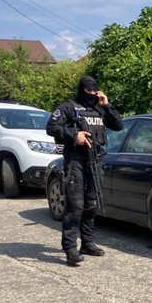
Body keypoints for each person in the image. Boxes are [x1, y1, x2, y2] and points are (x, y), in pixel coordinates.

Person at [46, 76, 124, 266]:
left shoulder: (98, 109)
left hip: (95, 162)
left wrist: (107, 105)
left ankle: (87, 243)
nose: (92, 94)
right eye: (88, 91)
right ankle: (70, 248)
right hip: (76, 162)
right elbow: (51, 128)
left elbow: (118, 125)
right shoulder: (68, 107)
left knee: (91, 204)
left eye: (94, 91)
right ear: (82, 90)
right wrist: (75, 134)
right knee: (76, 206)